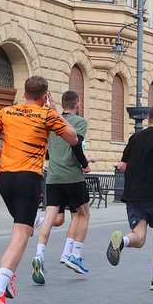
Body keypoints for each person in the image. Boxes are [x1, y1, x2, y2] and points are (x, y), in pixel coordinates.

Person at [0, 76, 77, 304]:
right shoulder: (47, 114)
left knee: (22, 229)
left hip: (5, 178)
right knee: (21, 235)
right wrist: (55, 110)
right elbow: (73, 138)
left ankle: (8, 278)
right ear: (44, 96)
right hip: (27, 178)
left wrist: (2, 152)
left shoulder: (7, 112)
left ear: (25, 94)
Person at [106, 104, 153, 290]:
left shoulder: (135, 138)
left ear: (149, 119)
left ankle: (122, 241)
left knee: (139, 238)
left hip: (133, 194)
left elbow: (122, 166)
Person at [32, 90, 93, 283]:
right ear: (77, 104)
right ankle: (74, 255)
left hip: (53, 175)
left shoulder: (51, 123)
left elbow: (48, 151)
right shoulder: (80, 122)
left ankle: (39, 255)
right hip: (72, 175)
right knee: (82, 214)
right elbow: (76, 145)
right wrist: (85, 164)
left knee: (53, 217)